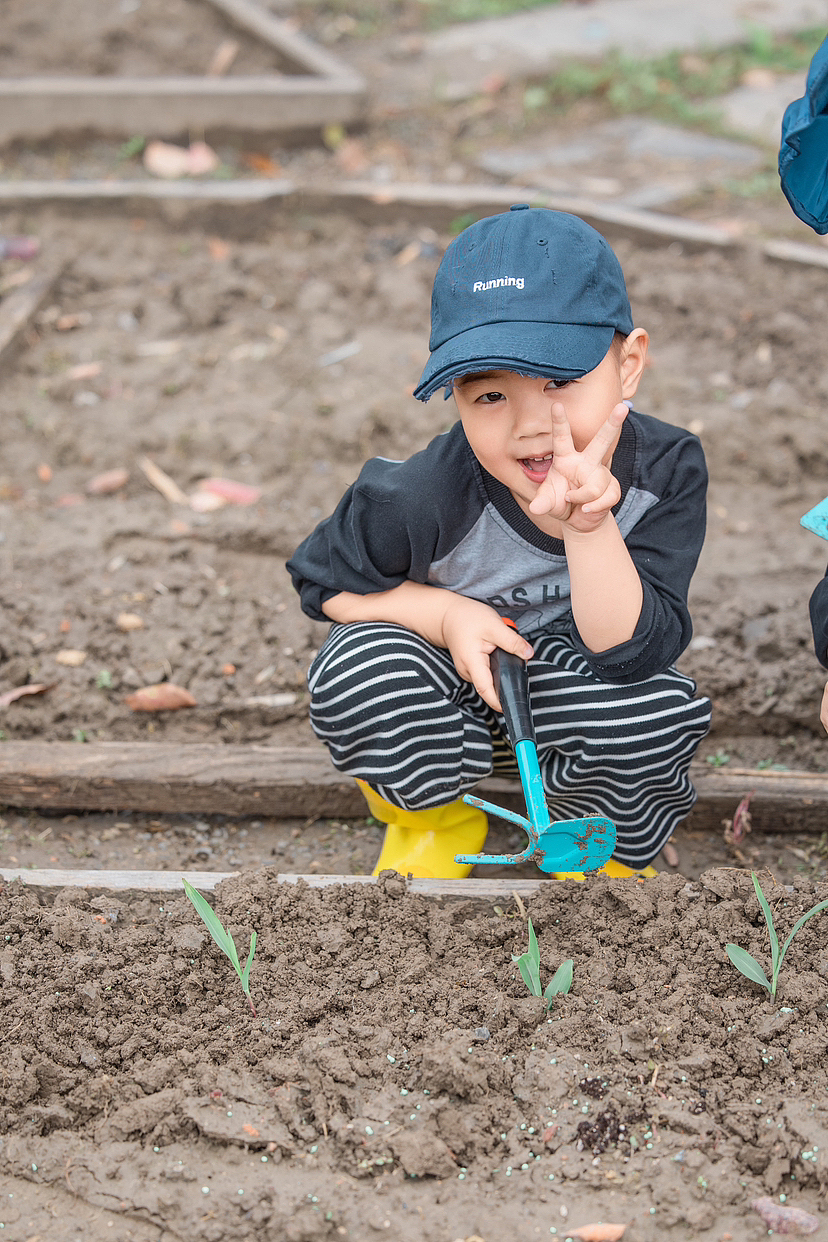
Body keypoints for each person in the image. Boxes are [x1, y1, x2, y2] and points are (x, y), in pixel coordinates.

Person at [287, 205, 712, 879]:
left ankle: (600, 849)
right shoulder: (419, 495)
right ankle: (433, 820)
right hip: (449, 686)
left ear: (629, 364)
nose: (531, 425)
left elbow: (638, 652)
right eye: (490, 396)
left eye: (560, 382)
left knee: (651, 713)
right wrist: (448, 614)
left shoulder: (665, 473)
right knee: (359, 671)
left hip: (582, 681)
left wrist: (589, 528)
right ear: (455, 394)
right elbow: (325, 581)